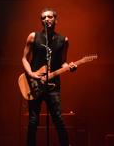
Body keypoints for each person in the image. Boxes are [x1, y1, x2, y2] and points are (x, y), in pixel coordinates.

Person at [22, 8, 77, 146]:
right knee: (33, 120)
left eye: (50, 17)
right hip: (35, 84)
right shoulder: (33, 37)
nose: (47, 19)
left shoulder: (63, 40)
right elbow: (24, 59)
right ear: (41, 21)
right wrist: (31, 74)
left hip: (53, 85)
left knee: (58, 118)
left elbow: (63, 61)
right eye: (43, 17)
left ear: (55, 19)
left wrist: (69, 67)